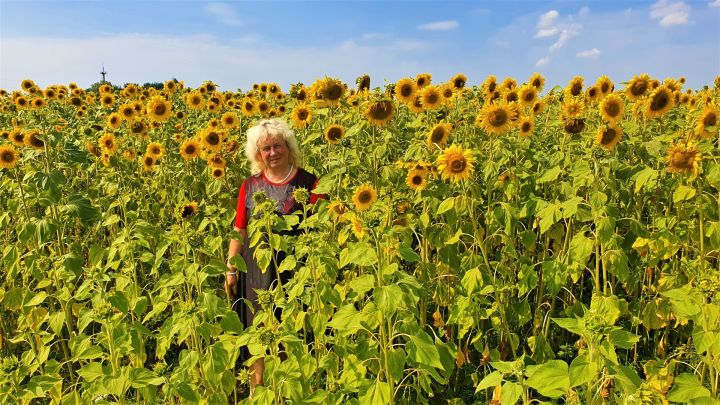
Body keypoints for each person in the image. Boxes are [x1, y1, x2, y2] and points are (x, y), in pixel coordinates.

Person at [225, 118, 322, 395]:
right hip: (257, 272)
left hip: (295, 271)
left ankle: (289, 393)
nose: (272, 153)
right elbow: (239, 228)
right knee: (259, 336)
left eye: (277, 146)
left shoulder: (309, 182)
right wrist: (231, 267)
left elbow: (322, 224)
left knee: (291, 335)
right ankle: (261, 394)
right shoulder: (251, 185)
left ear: (288, 147)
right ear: (258, 154)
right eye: (265, 148)